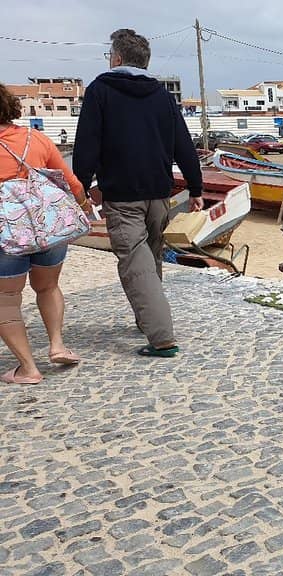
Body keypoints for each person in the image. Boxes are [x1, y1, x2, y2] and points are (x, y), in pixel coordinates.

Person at [73, 29, 203, 358]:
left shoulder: (99, 91)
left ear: (116, 58)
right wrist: (195, 186)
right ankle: (147, 319)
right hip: (159, 193)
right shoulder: (161, 95)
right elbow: (183, 145)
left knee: (137, 264)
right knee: (151, 257)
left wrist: (80, 187)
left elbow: (87, 145)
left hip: (123, 193)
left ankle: (162, 338)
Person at [0, 83, 89, 384]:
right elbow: (71, 182)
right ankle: (57, 345)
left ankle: (28, 368)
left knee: (6, 300)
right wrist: (83, 207)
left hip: (7, 238)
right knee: (48, 288)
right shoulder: (34, 138)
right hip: (48, 228)